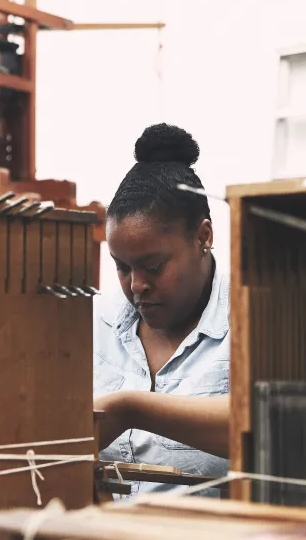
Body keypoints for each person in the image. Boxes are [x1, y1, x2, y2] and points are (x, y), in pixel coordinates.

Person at [92, 123, 230, 497]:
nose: (136, 285)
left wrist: (133, 409)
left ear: (203, 237)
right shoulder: (96, 324)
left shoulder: (250, 323)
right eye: (122, 267)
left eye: (153, 267)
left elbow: (268, 429)